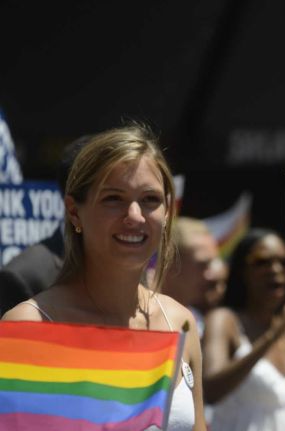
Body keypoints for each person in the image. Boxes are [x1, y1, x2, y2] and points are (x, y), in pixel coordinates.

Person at [1, 124, 206, 430]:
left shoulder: (179, 322)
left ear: (167, 212)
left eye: (150, 199)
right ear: (74, 212)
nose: (134, 215)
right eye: (114, 198)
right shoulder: (28, 326)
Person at [203, 228, 285, 431]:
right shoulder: (224, 320)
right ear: (242, 271)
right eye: (262, 262)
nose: (275, 269)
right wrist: (271, 337)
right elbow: (210, 390)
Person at [0, 136, 89, 314]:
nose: (133, 214)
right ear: (73, 208)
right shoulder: (23, 275)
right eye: (113, 197)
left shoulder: (129, 265)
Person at [162, 216, 227, 336]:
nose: (212, 275)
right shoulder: (141, 318)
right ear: (170, 264)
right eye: (202, 265)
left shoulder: (199, 322)